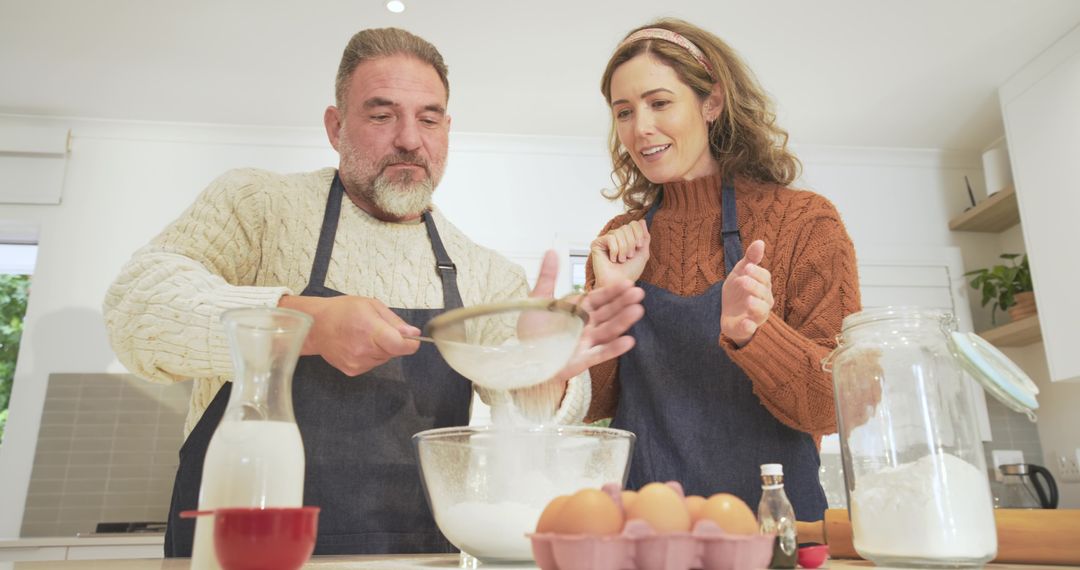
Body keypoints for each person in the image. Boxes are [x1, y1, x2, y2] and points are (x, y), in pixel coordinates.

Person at [103, 27, 644, 556]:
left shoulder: (486, 273)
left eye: (428, 118)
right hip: (246, 546)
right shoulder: (259, 206)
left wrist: (542, 374)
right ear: (335, 126)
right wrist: (305, 324)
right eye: (382, 115)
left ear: (446, 130)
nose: (409, 138)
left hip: (413, 553)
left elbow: (526, 425)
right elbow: (135, 309)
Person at [585, 19, 861, 523]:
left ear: (710, 103)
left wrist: (756, 334)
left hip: (779, 531)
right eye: (623, 112)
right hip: (651, 533)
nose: (639, 127)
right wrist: (606, 302)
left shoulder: (805, 223)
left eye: (659, 102)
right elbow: (590, 406)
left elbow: (832, 408)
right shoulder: (621, 242)